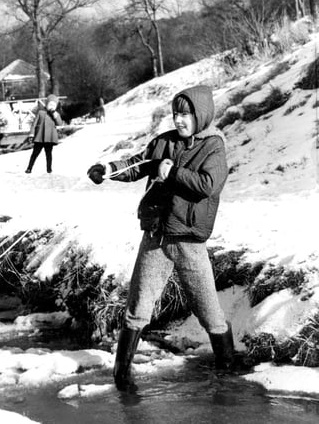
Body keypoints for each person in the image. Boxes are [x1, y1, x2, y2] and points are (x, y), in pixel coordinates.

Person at [87, 85, 235, 392]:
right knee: (138, 305)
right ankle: (122, 377)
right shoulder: (164, 142)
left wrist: (172, 172)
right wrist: (107, 170)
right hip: (156, 237)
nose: (179, 120)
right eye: (176, 114)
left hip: (190, 242)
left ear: (201, 115)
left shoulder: (213, 146)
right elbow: (137, 164)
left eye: (186, 114)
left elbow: (208, 185)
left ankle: (228, 372)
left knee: (209, 310)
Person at [25, 94, 63, 174]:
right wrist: (31, 134)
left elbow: (59, 124)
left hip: (49, 137)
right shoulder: (41, 112)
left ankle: (49, 169)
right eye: (50, 104)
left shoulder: (56, 114)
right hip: (39, 136)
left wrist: (55, 115)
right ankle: (29, 168)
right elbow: (34, 124)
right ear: (47, 104)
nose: (52, 106)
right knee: (35, 153)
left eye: (53, 105)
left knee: (48, 154)